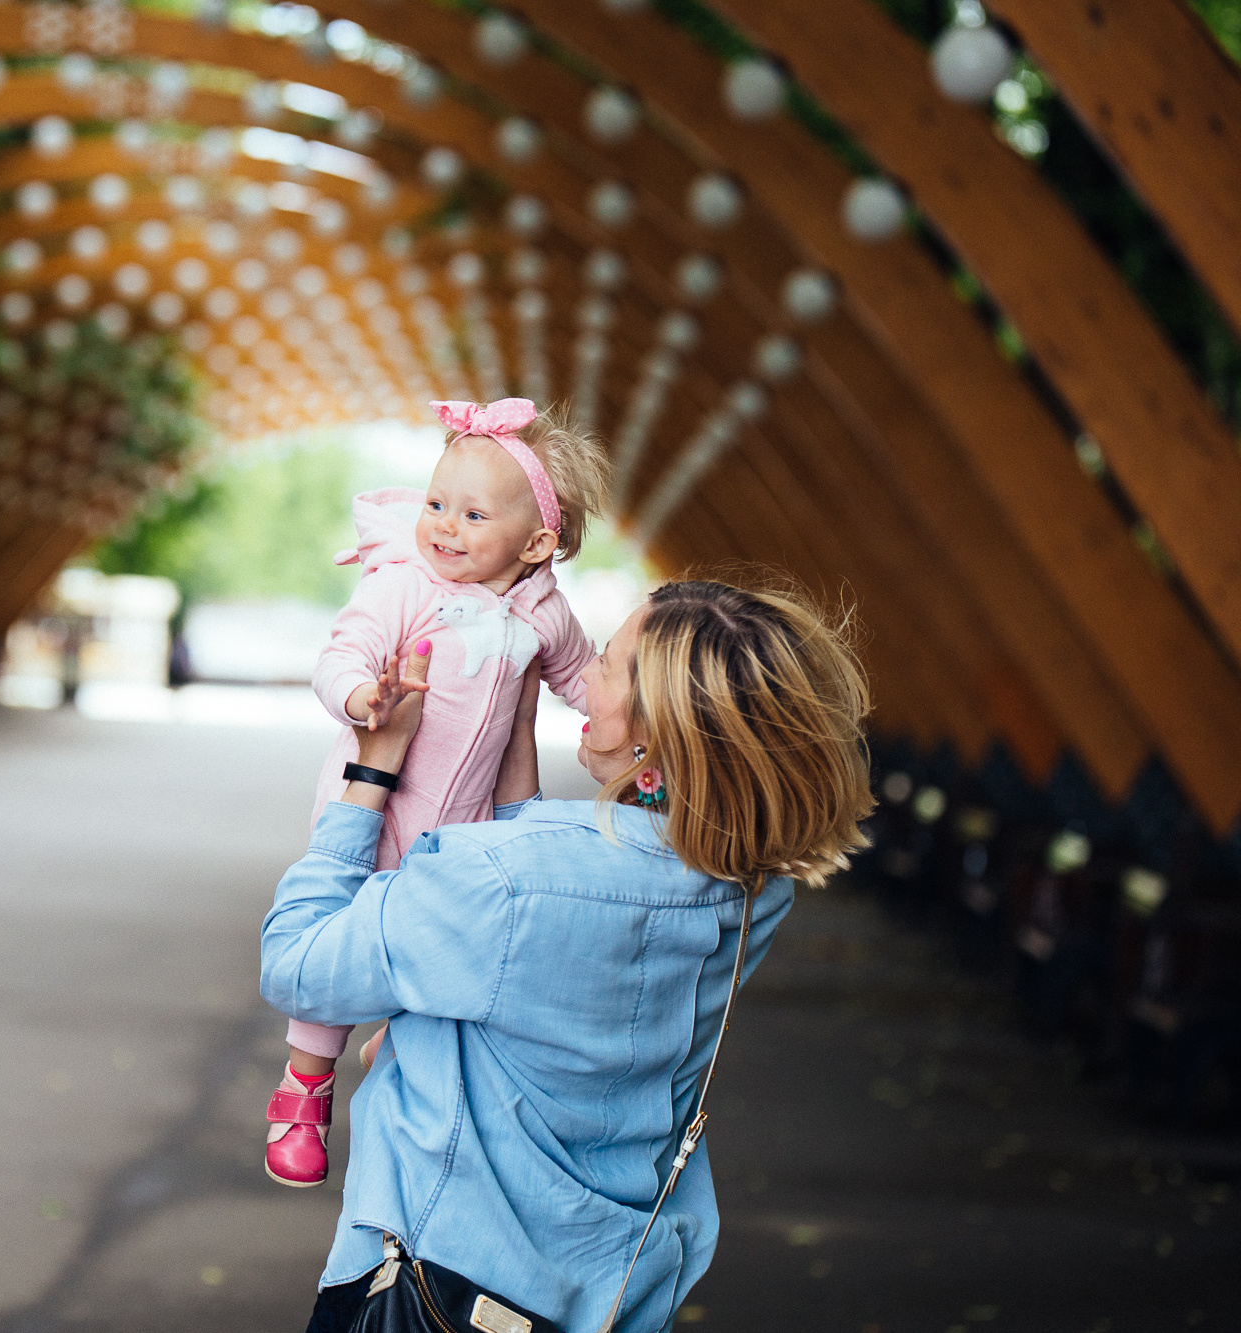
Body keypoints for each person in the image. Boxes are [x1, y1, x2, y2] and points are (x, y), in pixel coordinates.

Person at [262, 578, 873, 1333]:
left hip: (426, 1291)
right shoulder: (750, 894)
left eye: (608, 665)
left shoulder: (493, 880)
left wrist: (371, 774)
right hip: (607, 1297)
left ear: (659, 732)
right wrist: (516, 740)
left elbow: (296, 963)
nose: (581, 679)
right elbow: (575, 940)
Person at [264, 397, 609, 1188]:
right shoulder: (404, 585)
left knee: (454, 935)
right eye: (435, 503)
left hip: (467, 823)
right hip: (373, 805)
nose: (444, 526)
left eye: (473, 513)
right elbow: (340, 651)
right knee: (344, 936)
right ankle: (305, 1083)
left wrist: (661, 721)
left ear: (537, 541)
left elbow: (589, 684)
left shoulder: (546, 613)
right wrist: (361, 698)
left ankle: (401, 1038)